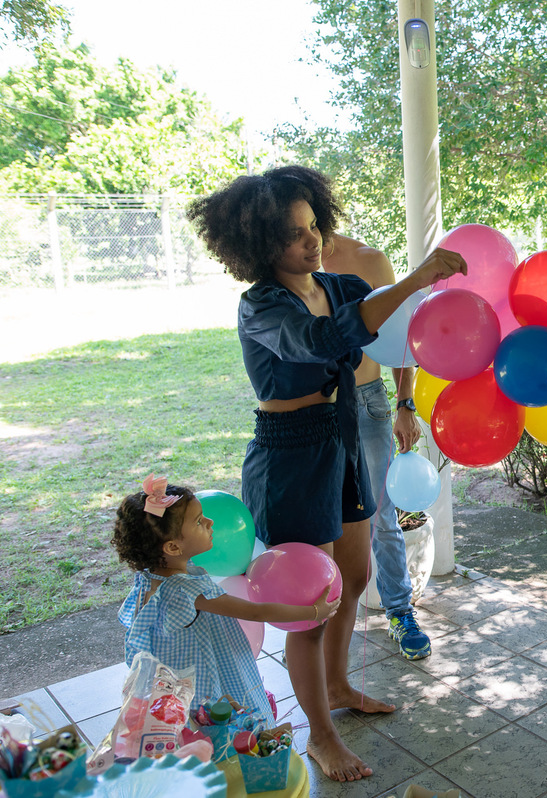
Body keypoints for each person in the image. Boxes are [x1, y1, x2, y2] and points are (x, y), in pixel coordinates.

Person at [186, 165, 466, 782]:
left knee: (353, 575)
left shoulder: (338, 285)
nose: (311, 240)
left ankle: (337, 686)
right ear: (261, 244)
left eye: (313, 225)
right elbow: (319, 340)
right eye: (293, 234)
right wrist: (415, 277)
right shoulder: (261, 304)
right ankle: (319, 735)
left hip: (342, 437)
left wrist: (427, 310)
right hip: (290, 455)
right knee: (308, 600)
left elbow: (383, 320)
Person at [112, 474, 341, 720]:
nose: (210, 522)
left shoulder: (148, 577)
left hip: (169, 680)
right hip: (200, 684)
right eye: (199, 521)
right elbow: (256, 611)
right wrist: (313, 612)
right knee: (221, 727)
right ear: (173, 547)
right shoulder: (187, 590)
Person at [322, 230, 430, 661]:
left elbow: (401, 338)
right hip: (311, 409)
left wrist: (405, 404)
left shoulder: (369, 260)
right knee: (320, 523)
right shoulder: (283, 265)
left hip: (367, 402)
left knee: (382, 517)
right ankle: (315, 625)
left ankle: (400, 612)